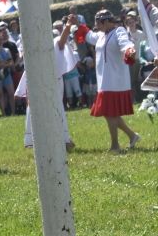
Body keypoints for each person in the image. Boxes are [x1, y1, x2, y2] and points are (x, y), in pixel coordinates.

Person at [75, 9, 140, 153]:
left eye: (97, 22)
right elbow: (88, 35)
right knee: (110, 113)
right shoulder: (100, 35)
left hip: (115, 80)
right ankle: (132, 135)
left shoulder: (119, 31)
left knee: (109, 113)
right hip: (104, 80)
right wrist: (76, 23)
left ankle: (115, 146)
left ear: (105, 21)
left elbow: (126, 44)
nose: (95, 25)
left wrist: (129, 51)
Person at [17, 22, 78, 151]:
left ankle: (63, 139)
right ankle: (33, 141)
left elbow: (61, 41)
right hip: (36, 79)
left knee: (55, 107)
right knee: (34, 108)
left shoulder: (54, 43)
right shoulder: (31, 43)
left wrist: (67, 27)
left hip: (53, 80)